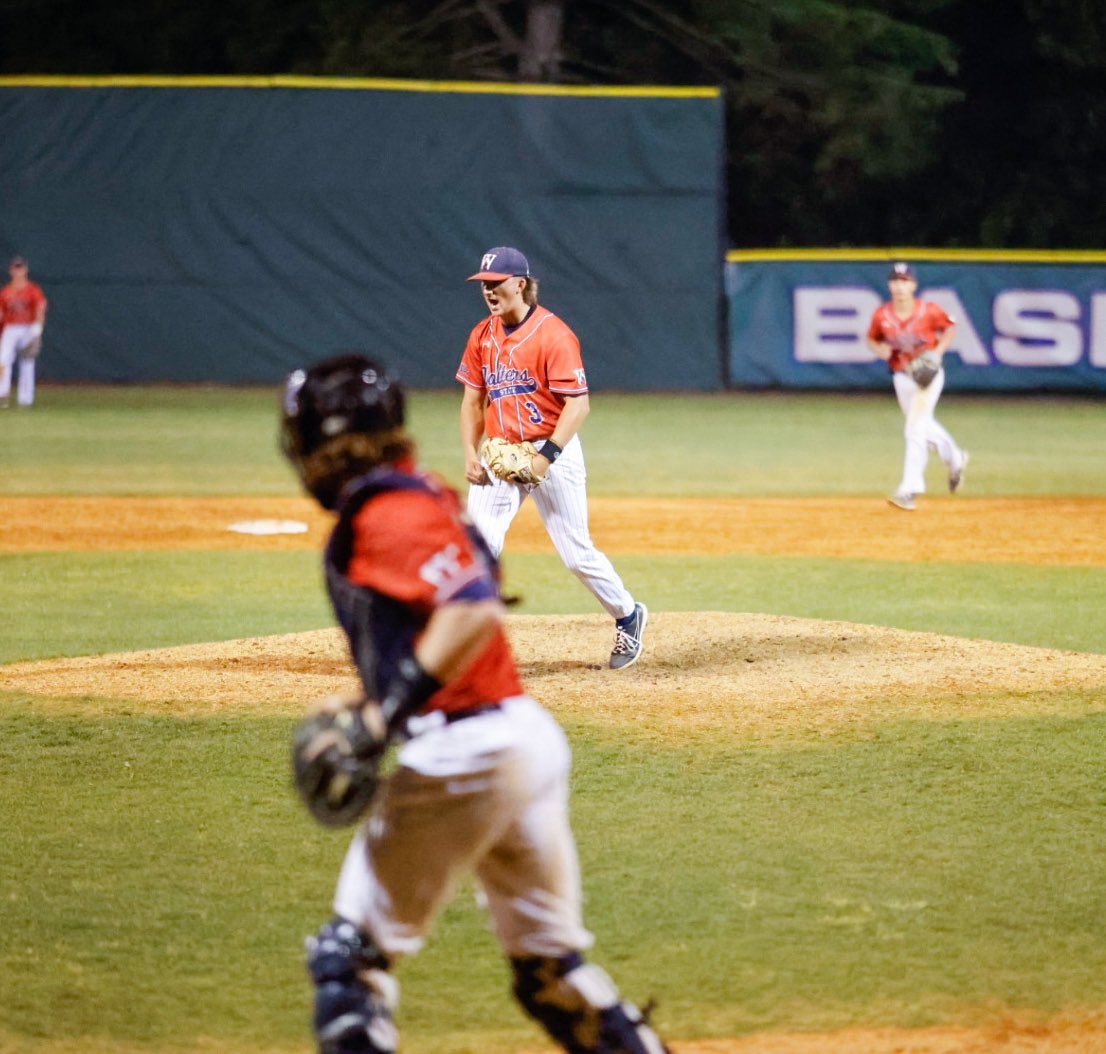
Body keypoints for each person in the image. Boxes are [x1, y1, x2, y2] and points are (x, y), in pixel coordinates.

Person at [280, 352, 671, 1054]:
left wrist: (379, 715)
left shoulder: (389, 513)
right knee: (552, 975)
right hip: (519, 738)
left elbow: (472, 610)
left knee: (349, 963)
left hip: (468, 751)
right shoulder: (414, 495)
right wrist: (370, 696)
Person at [457, 246, 647, 669]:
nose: (488, 292)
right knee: (478, 547)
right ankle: (473, 641)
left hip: (552, 448)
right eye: (483, 285)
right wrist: (471, 453)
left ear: (519, 284)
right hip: (500, 453)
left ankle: (628, 615)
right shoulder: (481, 335)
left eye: (496, 283)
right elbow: (473, 401)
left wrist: (547, 455)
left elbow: (578, 405)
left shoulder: (553, 333)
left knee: (576, 554)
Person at [866, 261, 969, 511]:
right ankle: (955, 458)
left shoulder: (928, 310)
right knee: (922, 427)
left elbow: (950, 327)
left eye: (904, 281)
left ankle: (909, 490)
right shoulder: (882, 315)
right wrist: (881, 350)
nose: (899, 286)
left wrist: (938, 353)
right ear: (890, 285)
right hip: (901, 376)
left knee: (914, 430)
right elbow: (872, 338)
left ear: (913, 285)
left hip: (928, 376)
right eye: (895, 281)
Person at [0, 256, 48, 408]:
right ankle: (2, 395)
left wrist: (37, 328)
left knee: (27, 362)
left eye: (21, 267)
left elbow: (40, 308)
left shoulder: (33, 289)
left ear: (26, 269)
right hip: (10, 327)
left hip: (27, 327)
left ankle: (25, 400)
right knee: (3, 360)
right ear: (11, 270)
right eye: (16, 268)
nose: (18, 271)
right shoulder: (5, 292)